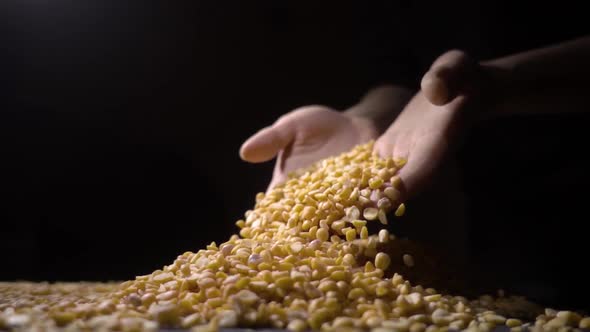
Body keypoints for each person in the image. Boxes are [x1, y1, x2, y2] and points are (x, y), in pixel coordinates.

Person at [239, 30, 590, 309]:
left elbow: (439, 88)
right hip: (504, 228)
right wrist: (367, 118)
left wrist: (501, 80)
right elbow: (401, 72)